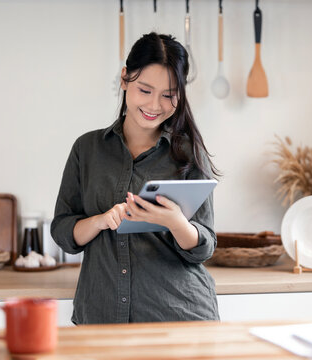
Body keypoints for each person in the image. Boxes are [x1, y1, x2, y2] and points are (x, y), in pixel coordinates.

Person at [51, 32, 220, 324]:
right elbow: (64, 233)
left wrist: (175, 223)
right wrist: (101, 221)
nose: (155, 105)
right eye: (145, 90)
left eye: (168, 95)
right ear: (125, 78)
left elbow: (204, 247)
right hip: (101, 316)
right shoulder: (87, 149)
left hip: (178, 317)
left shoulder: (189, 153)